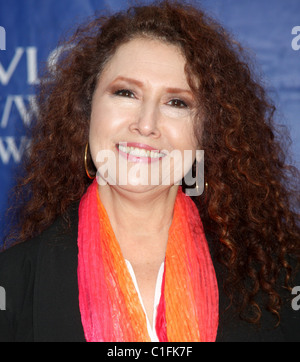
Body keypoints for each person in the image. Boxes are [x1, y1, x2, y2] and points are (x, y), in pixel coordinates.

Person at [0, 0, 299, 342]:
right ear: (86, 114)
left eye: (177, 102)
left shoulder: (280, 283)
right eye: (126, 93)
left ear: (207, 132)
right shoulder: (12, 285)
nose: (146, 124)